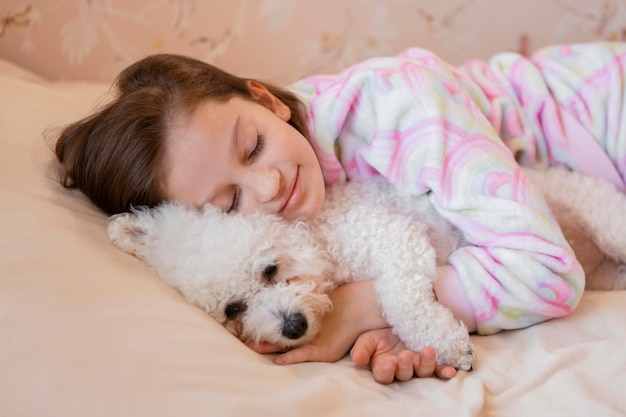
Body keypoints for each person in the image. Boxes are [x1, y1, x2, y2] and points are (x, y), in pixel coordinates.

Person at [54, 41, 625, 384]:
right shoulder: (297, 230)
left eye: (252, 145)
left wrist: (367, 306)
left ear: (267, 100)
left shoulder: (400, 107)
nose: (268, 181)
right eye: (229, 202)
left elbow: (546, 270)